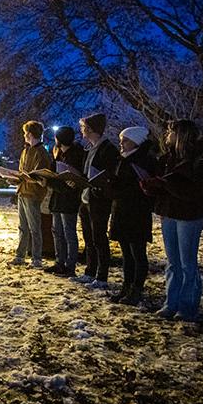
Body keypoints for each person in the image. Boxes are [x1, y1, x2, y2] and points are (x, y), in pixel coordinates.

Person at [141, 120, 203, 320]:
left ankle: (187, 306)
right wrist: (150, 187)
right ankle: (170, 303)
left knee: (187, 263)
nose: (166, 135)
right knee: (172, 262)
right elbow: (165, 186)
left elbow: (194, 191)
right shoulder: (166, 158)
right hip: (169, 213)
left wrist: (166, 184)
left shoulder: (198, 161)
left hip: (189, 215)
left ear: (181, 134)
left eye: (170, 131)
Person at [107, 127, 157, 305]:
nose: (121, 143)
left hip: (136, 211)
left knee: (137, 252)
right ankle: (126, 286)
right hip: (121, 209)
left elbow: (144, 186)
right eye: (121, 140)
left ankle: (136, 288)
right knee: (126, 253)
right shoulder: (123, 159)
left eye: (125, 140)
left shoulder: (144, 160)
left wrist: (118, 186)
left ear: (136, 142)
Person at [77, 113, 119, 288]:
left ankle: (102, 275)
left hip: (99, 199)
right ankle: (90, 270)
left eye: (84, 127)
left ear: (91, 129)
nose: (82, 131)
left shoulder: (107, 149)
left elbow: (109, 173)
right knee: (88, 237)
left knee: (99, 237)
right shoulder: (90, 148)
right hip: (86, 198)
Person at [6, 121, 52, 269]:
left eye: (25, 133)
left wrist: (25, 178)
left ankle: (36, 258)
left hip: (32, 194)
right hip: (23, 191)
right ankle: (20, 255)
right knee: (23, 227)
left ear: (30, 134)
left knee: (34, 227)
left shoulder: (41, 153)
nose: (24, 136)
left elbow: (40, 176)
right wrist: (15, 178)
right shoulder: (26, 150)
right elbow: (23, 172)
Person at [45, 126, 86, 278]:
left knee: (69, 233)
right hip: (57, 198)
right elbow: (52, 172)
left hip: (68, 199)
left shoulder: (76, 154)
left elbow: (73, 180)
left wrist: (56, 182)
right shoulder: (58, 153)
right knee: (57, 232)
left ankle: (70, 265)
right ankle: (59, 261)